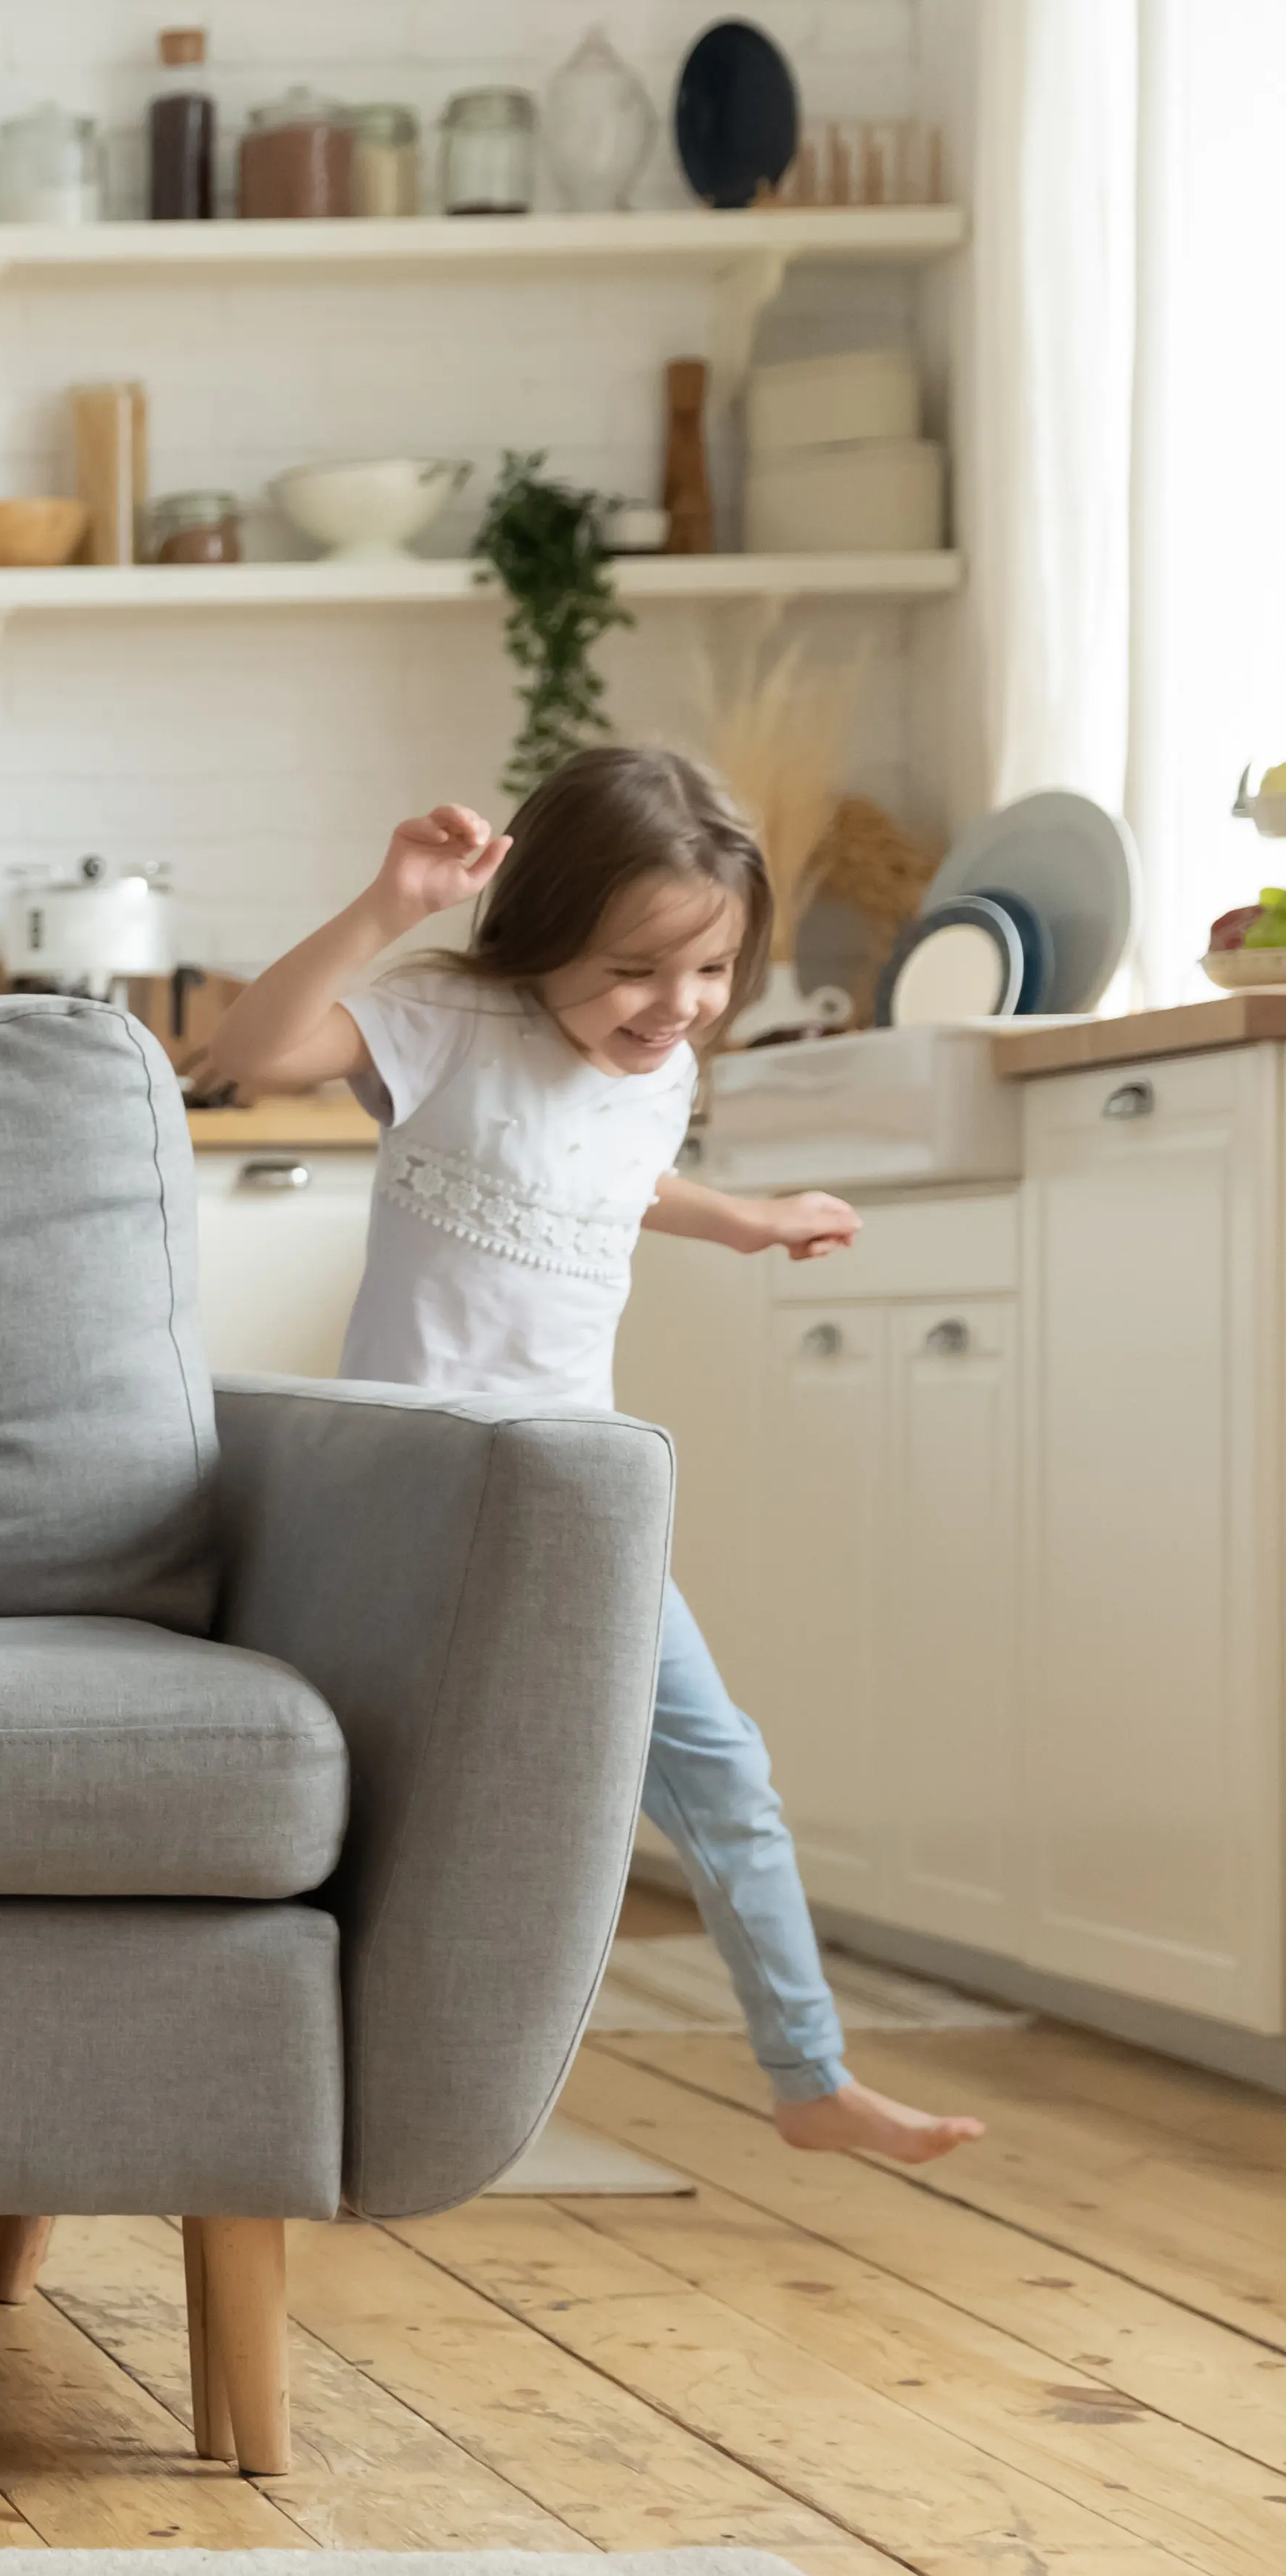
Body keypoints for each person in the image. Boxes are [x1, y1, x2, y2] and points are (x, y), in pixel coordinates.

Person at [201, 743, 986, 2165]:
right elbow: (250, 1057)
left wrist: (736, 1213)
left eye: (707, 972)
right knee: (389, 1805)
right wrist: (386, 903)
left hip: (579, 1497)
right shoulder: (443, 1019)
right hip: (418, 1497)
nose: (671, 1008)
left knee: (724, 1778)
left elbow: (600, 1177)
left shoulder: (656, 1067)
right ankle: (296, 2079)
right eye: (634, 969)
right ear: (546, 927)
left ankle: (805, 2073)